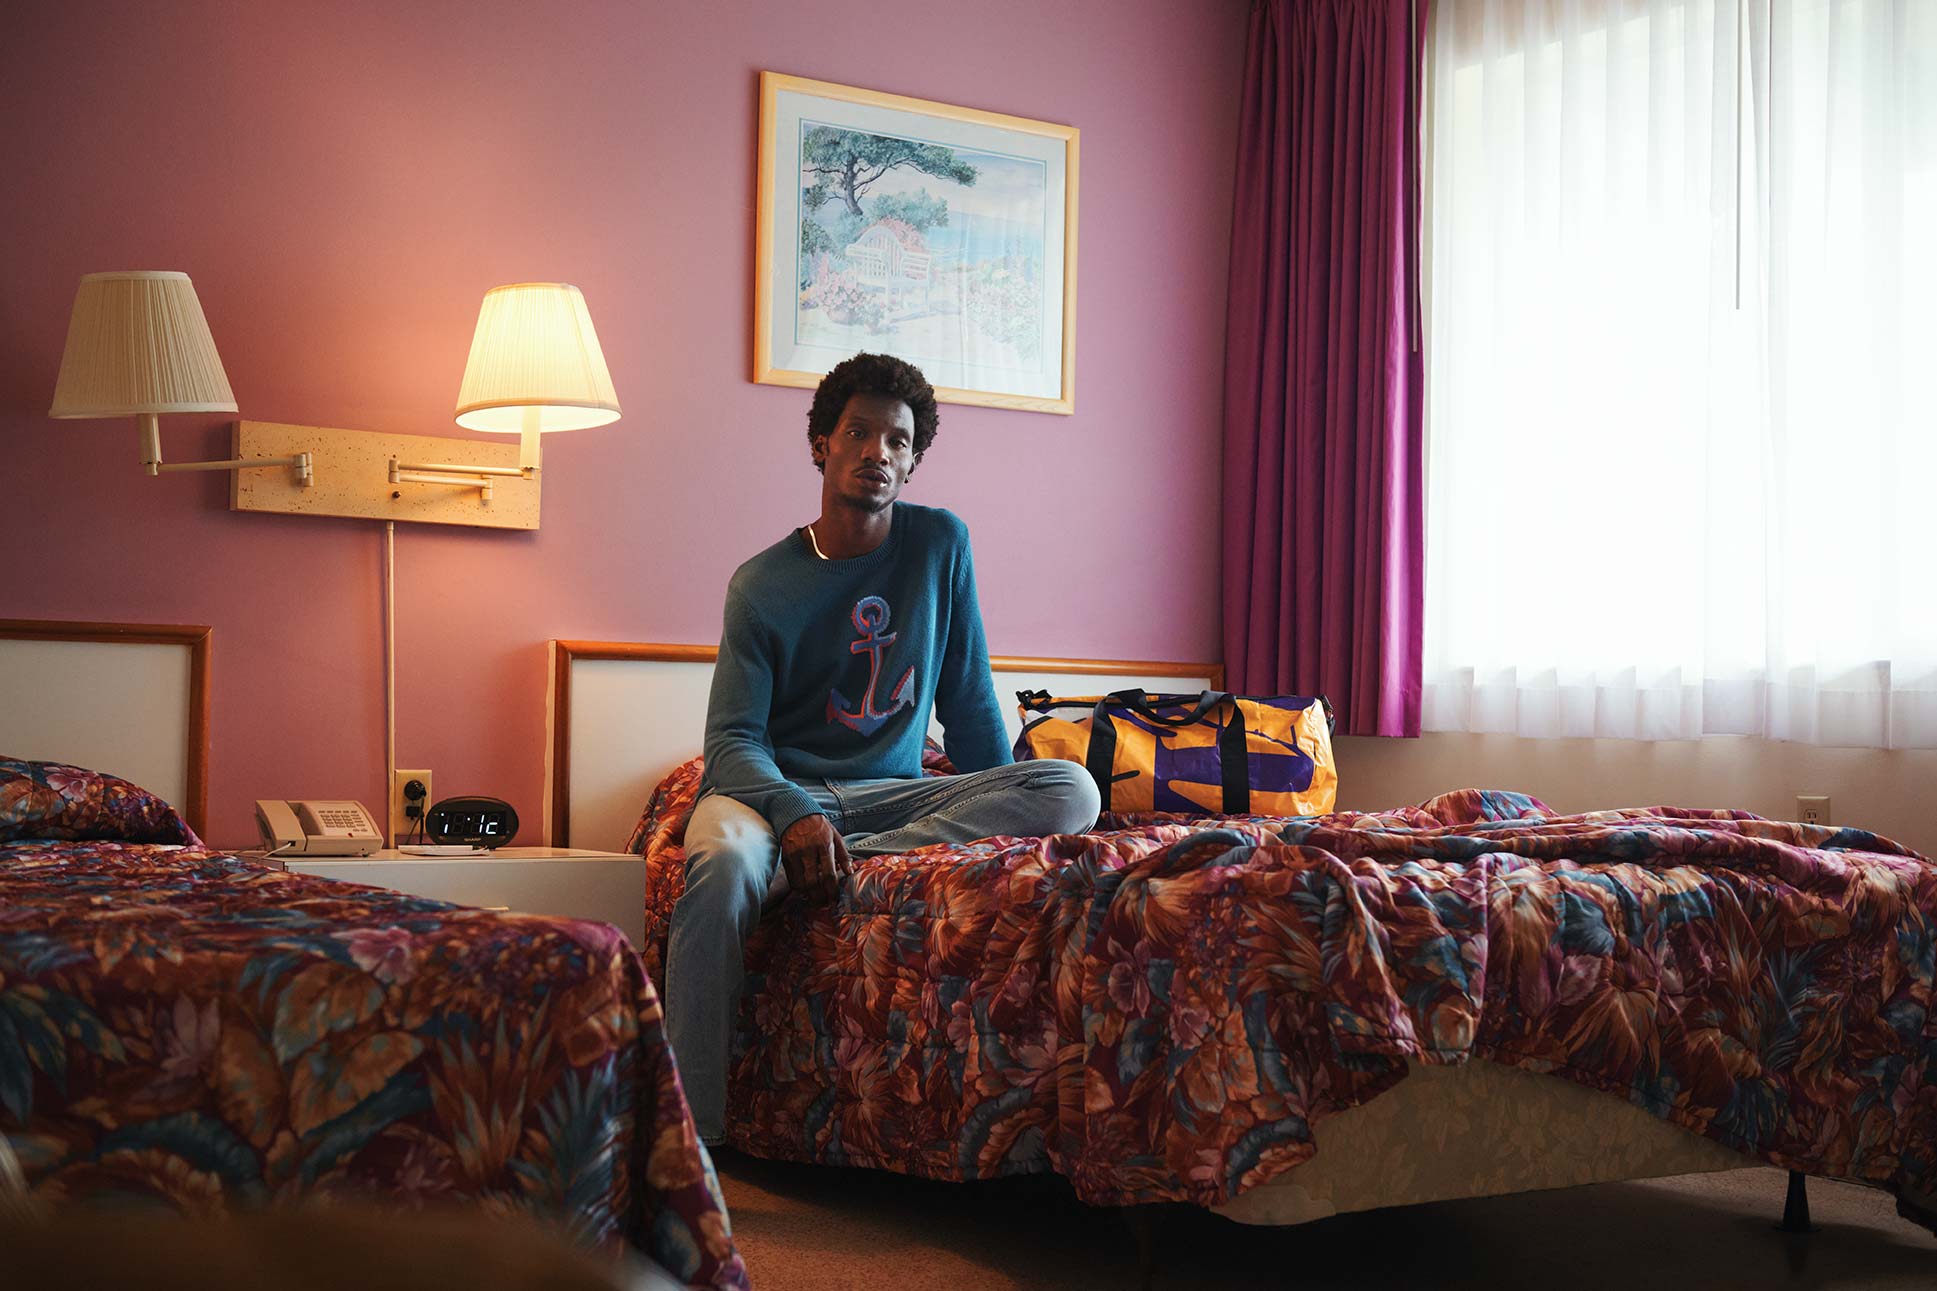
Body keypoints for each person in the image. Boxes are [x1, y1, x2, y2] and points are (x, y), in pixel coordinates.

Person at [663, 352, 1100, 1145]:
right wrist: (793, 814)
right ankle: (689, 1139)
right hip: (773, 794)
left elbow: (968, 701)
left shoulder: (939, 544)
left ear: (913, 459)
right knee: (722, 868)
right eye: (858, 433)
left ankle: (828, 865)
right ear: (821, 445)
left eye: (897, 440)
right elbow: (731, 742)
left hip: (890, 799)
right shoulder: (761, 585)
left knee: (1071, 788)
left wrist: (1002, 809)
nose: (878, 452)